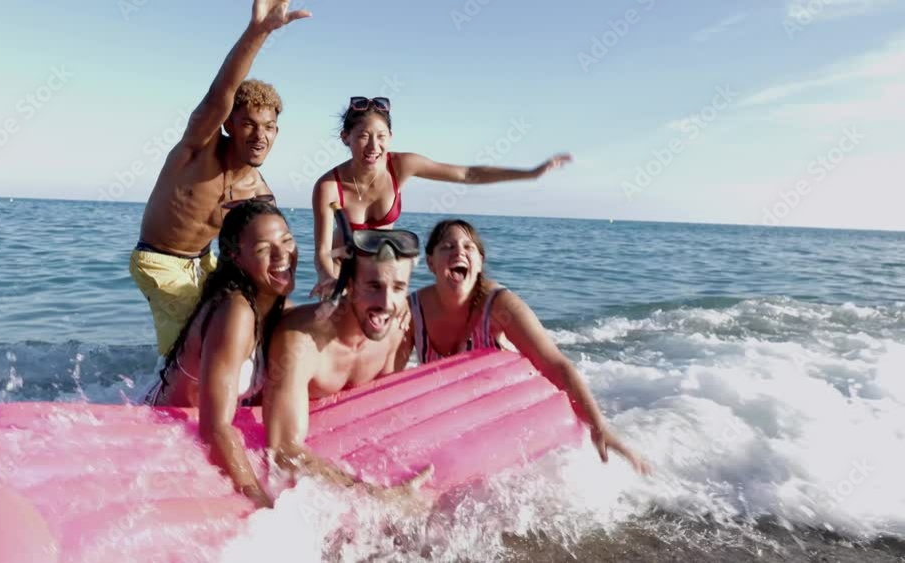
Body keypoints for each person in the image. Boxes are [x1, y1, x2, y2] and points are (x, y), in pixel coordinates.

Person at [130, 0, 309, 357]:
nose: (260, 136)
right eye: (249, 124)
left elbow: (273, 250)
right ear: (230, 124)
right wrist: (258, 32)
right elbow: (222, 92)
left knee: (260, 314)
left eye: (270, 127)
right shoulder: (199, 149)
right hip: (158, 261)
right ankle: (173, 396)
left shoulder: (260, 194)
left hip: (206, 260)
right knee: (206, 330)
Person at [407, 219, 651, 475]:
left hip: (506, 413)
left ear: (479, 263)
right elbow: (388, 375)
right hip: (450, 418)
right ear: (430, 263)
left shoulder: (500, 306)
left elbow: (553, 364)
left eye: (469, 247)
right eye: (447, 246)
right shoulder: (412, 311)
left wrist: (599, 426)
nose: (459, 252)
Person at [310, 95, 573, 297]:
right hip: (339, 274)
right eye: (363, 136)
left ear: (391, 137)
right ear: (346, 137)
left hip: (383, 272)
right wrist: (328, 279)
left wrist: (531, 173)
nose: (373, 146)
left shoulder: (401, 166)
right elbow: (322, 251)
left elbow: (466, 174)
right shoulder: (328, 186)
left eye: (381, 136)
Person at [142, 200, 298, 508]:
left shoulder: (278, 308)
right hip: (166, 429)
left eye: (287, 241)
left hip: (205, 423)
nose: (283, 256)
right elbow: (215, 428)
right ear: (234, 257)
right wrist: (260, 501)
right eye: (264, 248)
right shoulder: (235, 312)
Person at [264, 230, 431, 492]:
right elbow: (283, 451)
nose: (387, 303)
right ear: (349, 285)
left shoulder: (395, 332)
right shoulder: (300, 343)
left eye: (398, 288)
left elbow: (383, 414)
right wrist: (372, 494)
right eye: (374, 286)